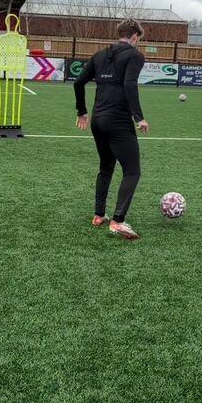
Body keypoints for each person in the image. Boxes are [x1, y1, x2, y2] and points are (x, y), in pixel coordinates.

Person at [73, 18, 149, 239]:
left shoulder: (99, 55)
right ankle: (118, 220)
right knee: (132, 171)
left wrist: (81, 111)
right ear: (135, 37)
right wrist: (139, 117)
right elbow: (129, 84)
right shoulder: (135, 55)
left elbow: (78, 82)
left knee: (106, 167)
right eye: (138, 39)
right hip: (118, 121)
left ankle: (99, 214)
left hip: (98, 120)